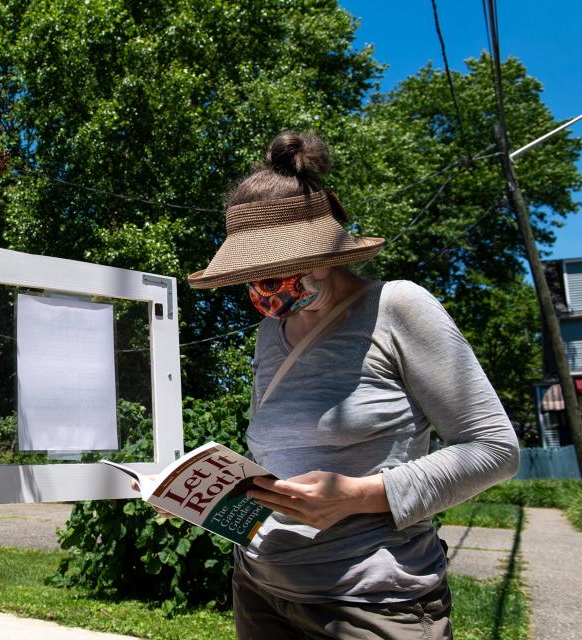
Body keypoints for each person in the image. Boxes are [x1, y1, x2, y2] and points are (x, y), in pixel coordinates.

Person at [184, 131, 520, 639]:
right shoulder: (269, 334)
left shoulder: (397, 306)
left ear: (331, 249)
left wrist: (359, 494)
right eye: (254, 273)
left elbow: (495, 449)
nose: (267, 286)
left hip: (370, 600)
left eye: (282, 267)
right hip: (258, 585)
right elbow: (288, 457)